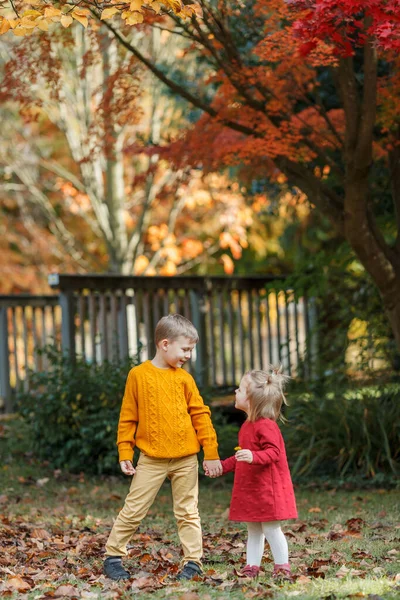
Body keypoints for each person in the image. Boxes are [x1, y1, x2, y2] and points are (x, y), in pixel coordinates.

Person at [103, 314, 222, 582]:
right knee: (134, 509)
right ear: (165, 344)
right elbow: (128, 417)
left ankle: (193, 562)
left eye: (191, 350)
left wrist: (210, 452)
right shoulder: (138, 375)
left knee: (188, 512)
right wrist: (125, 450)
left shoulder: (185, 380)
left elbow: (201, 416)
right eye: (186, 349)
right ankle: (112, 557)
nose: (189, 356)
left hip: (186, 459)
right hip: (151, 458)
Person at [206, 367, 297, 580]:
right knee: (253, 530)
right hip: (252, 488)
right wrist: (221, 466)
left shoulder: (266, 426)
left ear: (251, 399)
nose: (235, 392)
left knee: (272, 529)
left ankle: (282, 566)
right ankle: (251, 567)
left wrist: (254, 457)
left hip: (267, 489)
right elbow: (242, 456)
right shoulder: (247, 426)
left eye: (239, 389)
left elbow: (274, 453)